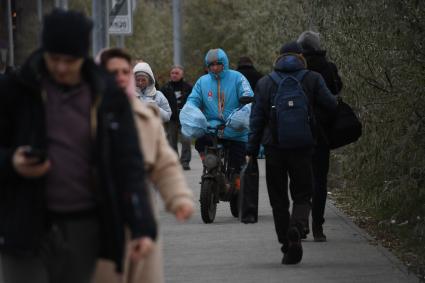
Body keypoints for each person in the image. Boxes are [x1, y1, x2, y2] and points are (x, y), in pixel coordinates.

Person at [0, 9, 157, 283]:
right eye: (54, 59)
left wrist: (141, 225)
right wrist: (12, 162)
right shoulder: (16, 90)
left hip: (83, 226)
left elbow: (128, 163)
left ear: (83, 56)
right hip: (23, 221)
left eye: (69, 60)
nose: (61, 68)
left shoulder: (107, 95)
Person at [94, 48, 194, 283]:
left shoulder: (145, 117)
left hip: (142, 219)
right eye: (111, 72)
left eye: (124, 71)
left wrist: (179, 198)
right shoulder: (83, 117)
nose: (119, 76)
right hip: (98, 221)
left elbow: (165, 163)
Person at [247, 41, 337, 264]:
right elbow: (331, 105)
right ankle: (298, 225)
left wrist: (251, 148)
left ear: (278, 57)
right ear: (301, 56)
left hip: (274, 147)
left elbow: (256, 119)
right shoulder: (313, 78)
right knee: (302, 192)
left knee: (278, 198)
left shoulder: (266, 82)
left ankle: (287, 242)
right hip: (303, 146)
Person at [297, 31, 343, 242]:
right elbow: (336, 91)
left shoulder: (296, 68)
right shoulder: (328, 66)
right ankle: (317, 226)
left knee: (300, 179)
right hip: (322, 132)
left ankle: (301, 221)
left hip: (297, 131)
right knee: (319, 180)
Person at [186, 48, 254, 185]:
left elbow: (248, 95)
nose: (215, 67)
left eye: (218, 64)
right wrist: (191, 111)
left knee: (238, 168)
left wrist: (242, 111)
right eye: (211, 65)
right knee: (200, 141)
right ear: (208, 66)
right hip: (212, 129)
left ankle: (238, 188)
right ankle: (208, 166)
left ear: (225, 64)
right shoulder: (202, 82)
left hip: (235, 129)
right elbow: (193, 99)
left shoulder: (237, 77)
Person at [160, 66, 193, 170]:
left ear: (182, 74)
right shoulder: (165, 88)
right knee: (171, 141)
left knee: (186, 140)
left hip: (185, 118)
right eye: (172, 73)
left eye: (177, 73)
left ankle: (185, 162)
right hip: (171, 119)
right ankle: (174, 161)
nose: (174, 75)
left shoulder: (188, 87)